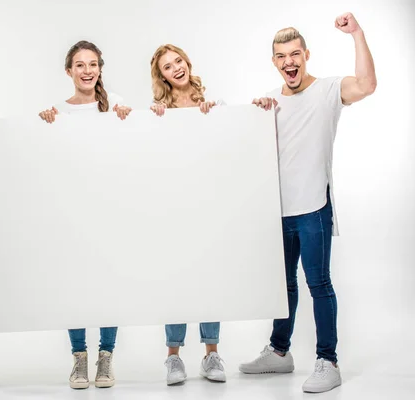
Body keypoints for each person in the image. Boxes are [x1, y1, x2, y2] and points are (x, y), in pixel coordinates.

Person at [240, 12, 376, 394]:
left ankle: (327, 361)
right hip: (276, 210)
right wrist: (253, 117)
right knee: (282, 287)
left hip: (314, 206)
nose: (289, 62)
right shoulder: (268, 101)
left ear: (306, 55)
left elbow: (366, 84)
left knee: (318, 283)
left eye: (295, 54)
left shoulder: (329, 90)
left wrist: (357, 34)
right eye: (282, 56)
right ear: (274, 62)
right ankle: (280, 352)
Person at [38, 40, 131, 390]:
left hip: (110, 208)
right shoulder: (57, 111)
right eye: (80, 65)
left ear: (100, 69)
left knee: (108, 282)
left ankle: (106, 356)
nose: (87, 70)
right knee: (74, 282)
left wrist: (128, 119)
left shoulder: (116, 105)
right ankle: (79, 357)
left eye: (93, 64)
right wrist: (45, 125)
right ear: (69, 71)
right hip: (72, 211)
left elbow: (133, 148)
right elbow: (49, 159)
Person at [149, 43, 226, 386]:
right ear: (162, 76)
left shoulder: (213, 103)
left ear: (187, 62)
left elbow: (231, 143)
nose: (175, 68)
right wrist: (153, 122)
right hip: (173, 206)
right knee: (177, 279)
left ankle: (211, 354)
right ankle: (174, 358)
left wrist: (216, 115)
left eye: (178, 61)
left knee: (210, 276)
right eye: (167, 67)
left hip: (209, 203)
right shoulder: (158, 111)